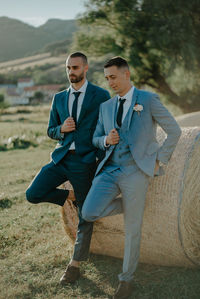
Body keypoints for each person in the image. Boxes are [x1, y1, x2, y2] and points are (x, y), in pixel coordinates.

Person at [82, 56, 181, 299]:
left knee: (132, 228)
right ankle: (129, 204)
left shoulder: (147, 100)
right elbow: (95, 138)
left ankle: (126, 280)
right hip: (109, 169)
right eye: (107, 79)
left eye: (113, 77)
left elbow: (174, 130)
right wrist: (106, 140)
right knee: (88, 212)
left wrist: (160, 159)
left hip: (136, 171)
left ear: (127, 74)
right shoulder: (105, 107)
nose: (110, 82)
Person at [26, 52, 110, 284]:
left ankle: (74, 265)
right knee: (32, 194)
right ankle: (69, 196)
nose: (71, 72)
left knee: (85, 216)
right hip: (60, 158)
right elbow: (50, 129)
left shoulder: (100, 95)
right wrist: (61, 129)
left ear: (85, 68)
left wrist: (99, 159)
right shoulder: (59, 98)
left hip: (85, 162)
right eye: (67, 68)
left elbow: (108, 127)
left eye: (75, 67)